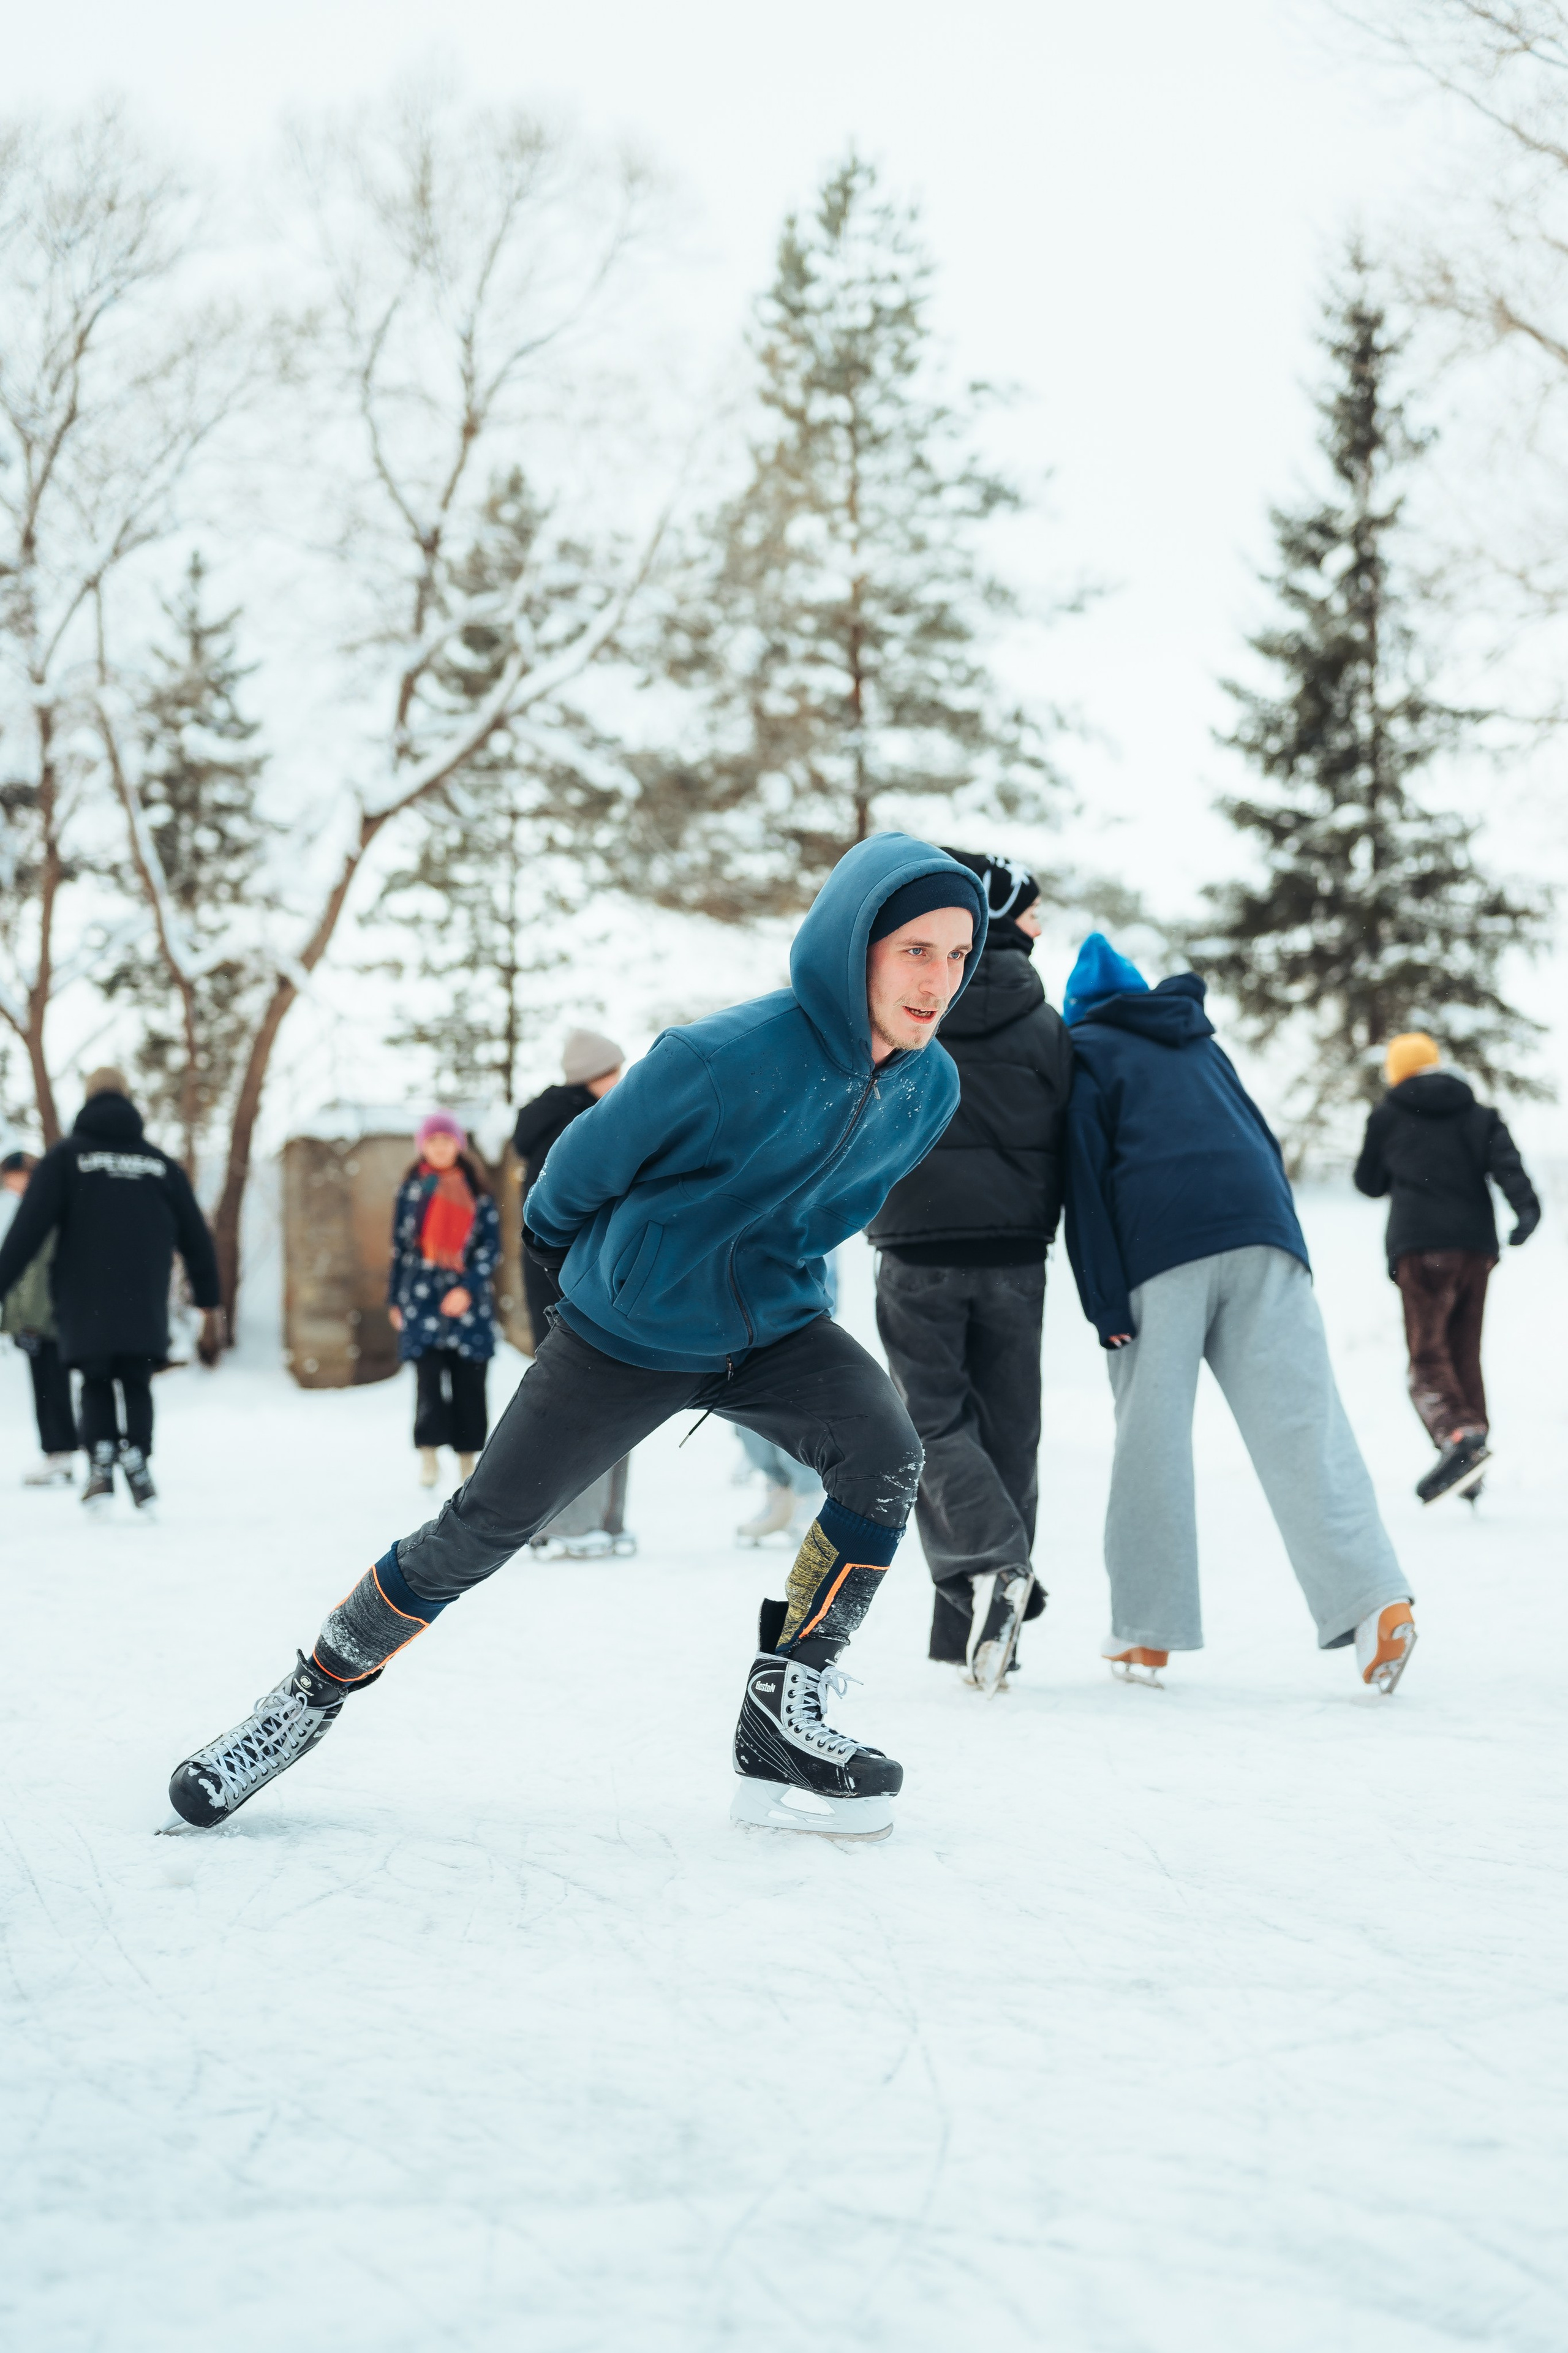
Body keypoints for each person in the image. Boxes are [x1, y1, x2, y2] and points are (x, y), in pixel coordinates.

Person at [167, 834, 990, 1841]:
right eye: (916, 950)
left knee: (885, 1454)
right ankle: (300, 1701)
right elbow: (566, 1184)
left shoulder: (929, 1085)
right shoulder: (720, 1058)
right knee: (478, 1530)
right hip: (629, 1331)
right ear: (854, 943)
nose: (938, 979)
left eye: (957, 955)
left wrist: (778, 1287)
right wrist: (622, 1279)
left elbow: (832, 1209)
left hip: (774, 1325)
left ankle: (787, 1707)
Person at [1061, 935, 1416, 1696]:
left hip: (1160, 1248)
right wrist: (1290, 1247)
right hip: (1264, 1237)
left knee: (1151, 1438)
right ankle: (1374, 1603)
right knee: (1304, 1426)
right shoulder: (1197, 1041)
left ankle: (1144, 1635)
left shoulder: (1085, 1049)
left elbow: (1083, 1178)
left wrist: (1103, 1302)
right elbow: (1261, 1135)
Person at [866, 850, 1072, 1689]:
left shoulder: (914, 1004)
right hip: (1018, 1254)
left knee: (930, 1424)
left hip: (917, 1247)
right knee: (1009, 1435)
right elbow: (1069, 1134)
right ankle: (985, 1640)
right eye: (1033, 912)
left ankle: (989, 1574)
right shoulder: (1046, 1023)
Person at [0, 1069, 222, 1513]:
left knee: (96, 1378)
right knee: (137, 1379)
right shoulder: (160, 1162)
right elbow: (196, 1233)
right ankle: (137, 1456)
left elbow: (29, 1228)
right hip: (143, 1294)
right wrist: (207, 1292)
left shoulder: (67, 1158)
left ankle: (101, 1464)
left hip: (86, 1296)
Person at [1354, 1030, 1540, 1505]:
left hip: (1419, 1248)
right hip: (1475, 1248)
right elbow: (1507, 1164)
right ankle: (1473, 1456)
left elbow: (1368, 1182)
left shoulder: (1388, 1114)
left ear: (1397, 1071)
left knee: (1427, 1358)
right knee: (1463, 1352)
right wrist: (1526, 1212)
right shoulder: (1476, 1112)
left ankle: (1458, 1437)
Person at [511, 1029, 633, 1555]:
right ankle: (583, 1522)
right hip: (584, 1278)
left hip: (553, 1279)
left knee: (574, 1393)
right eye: (617, 1070)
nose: (625, 1081)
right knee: (597, 1394)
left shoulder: (541, 1126)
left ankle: (590, 1519)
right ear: (595, 1075)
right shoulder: (586, 1126)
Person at [387, 1114, 502, 1490]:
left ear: (458, 1145)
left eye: (446, 1140)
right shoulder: (410, 1192)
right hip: (421, 1299)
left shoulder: (479, 1195)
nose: (439, 1147)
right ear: (423, 1146)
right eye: (432, 1140)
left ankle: (468, 1462)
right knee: (429, 1383)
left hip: (467, 1304)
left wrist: (467, 1287)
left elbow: (490, 1248)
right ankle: (429, 1456)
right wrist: (394, 1298)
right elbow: (400, 1249)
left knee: (470, 1382)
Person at [2, 1152, 78, 1486]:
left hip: (47, 1319)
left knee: (52, 1385)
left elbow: (39, 1273)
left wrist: (31, 1321)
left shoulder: (48, 1211)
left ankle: (61, 1453)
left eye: (12, 1181)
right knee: (45, 1384)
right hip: (37, 1318)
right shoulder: (35, 1208)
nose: (11, 1189)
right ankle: (57, 1453)